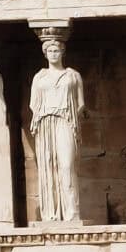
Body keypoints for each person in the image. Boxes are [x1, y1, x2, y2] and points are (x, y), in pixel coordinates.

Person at [29, 33, 84, 222]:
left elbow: (80, 104)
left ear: (62, 51)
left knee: (67, 165)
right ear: (45, 54)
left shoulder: (73, 76)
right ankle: (51, 214)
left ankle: (72, 212)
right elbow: (33, 105)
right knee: (48, 167)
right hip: (45, 124)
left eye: (56, 50)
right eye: (50, 51)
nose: (53, 54)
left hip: (65, 121)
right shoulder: (39, 77)